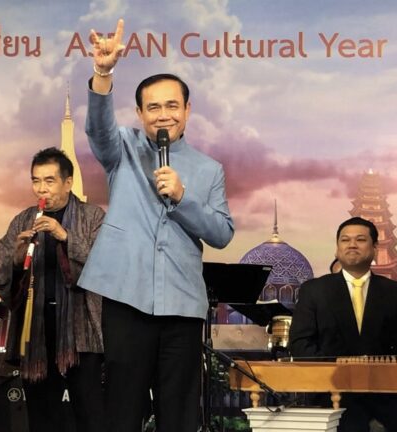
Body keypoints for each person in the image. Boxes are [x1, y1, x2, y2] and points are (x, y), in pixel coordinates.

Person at [78, 19, 235, 432]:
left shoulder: (208, 169)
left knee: (179, 414)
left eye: (171, 106)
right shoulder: (123, 148)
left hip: (182, 304)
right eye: (153, 107)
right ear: (140, 113)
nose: (162, 115)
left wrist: (184, 198)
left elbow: (221, 233)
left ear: (186, 111)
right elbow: (98, 130)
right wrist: (104, 72)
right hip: (126, 298)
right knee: (123, 410)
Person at [0, 147, 105, 432]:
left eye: (49, 181)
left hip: (82, 336)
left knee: (89, 416)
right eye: (36, 180)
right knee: (42, 417)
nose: (42, 188)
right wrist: (16, 261)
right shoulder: (23, 220)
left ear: (68, 182)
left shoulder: (92, 217)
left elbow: (106, 267)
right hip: (37, 333)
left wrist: (64, 236)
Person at [289, 217, 397, 432]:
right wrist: (340, 372)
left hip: (385, 391)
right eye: (345, 240)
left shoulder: (396, 293)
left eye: (360, 239)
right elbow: (301, 345)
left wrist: (377, 375)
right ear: (337, 249)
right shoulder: (314, 291)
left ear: (374, 249)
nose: (352, 244)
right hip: (333, 389)